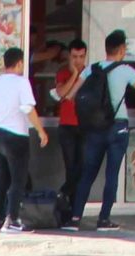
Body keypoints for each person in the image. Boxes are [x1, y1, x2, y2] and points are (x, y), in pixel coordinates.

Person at [66, 30, 135, 230]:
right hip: (117, 127)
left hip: (94, 128)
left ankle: (75, 218)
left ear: (106, 49)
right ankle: (104, 219)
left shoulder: (91, 70)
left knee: (87, 174)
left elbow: (71, 95)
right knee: (112, 174)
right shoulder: (127, 71)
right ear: (122, 49)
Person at [0, 47, 47, 233]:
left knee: (1, 179)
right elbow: (28, 108)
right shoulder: (21, 82)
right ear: (19, 63)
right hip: (16, 137)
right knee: (17, 180)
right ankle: (12, 220)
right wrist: (41, 131)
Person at [50, 40, 91, 208]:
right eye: (74, 56)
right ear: (69, 56)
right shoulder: (63, 73)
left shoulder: (91, 73)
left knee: (82, 168)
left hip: (85, 125)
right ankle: (68, 203)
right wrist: (74, 75)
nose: (78, 61)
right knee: (71, 167)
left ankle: (71, 202)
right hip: (67, 126)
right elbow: (61, 93)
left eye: (81, 57)